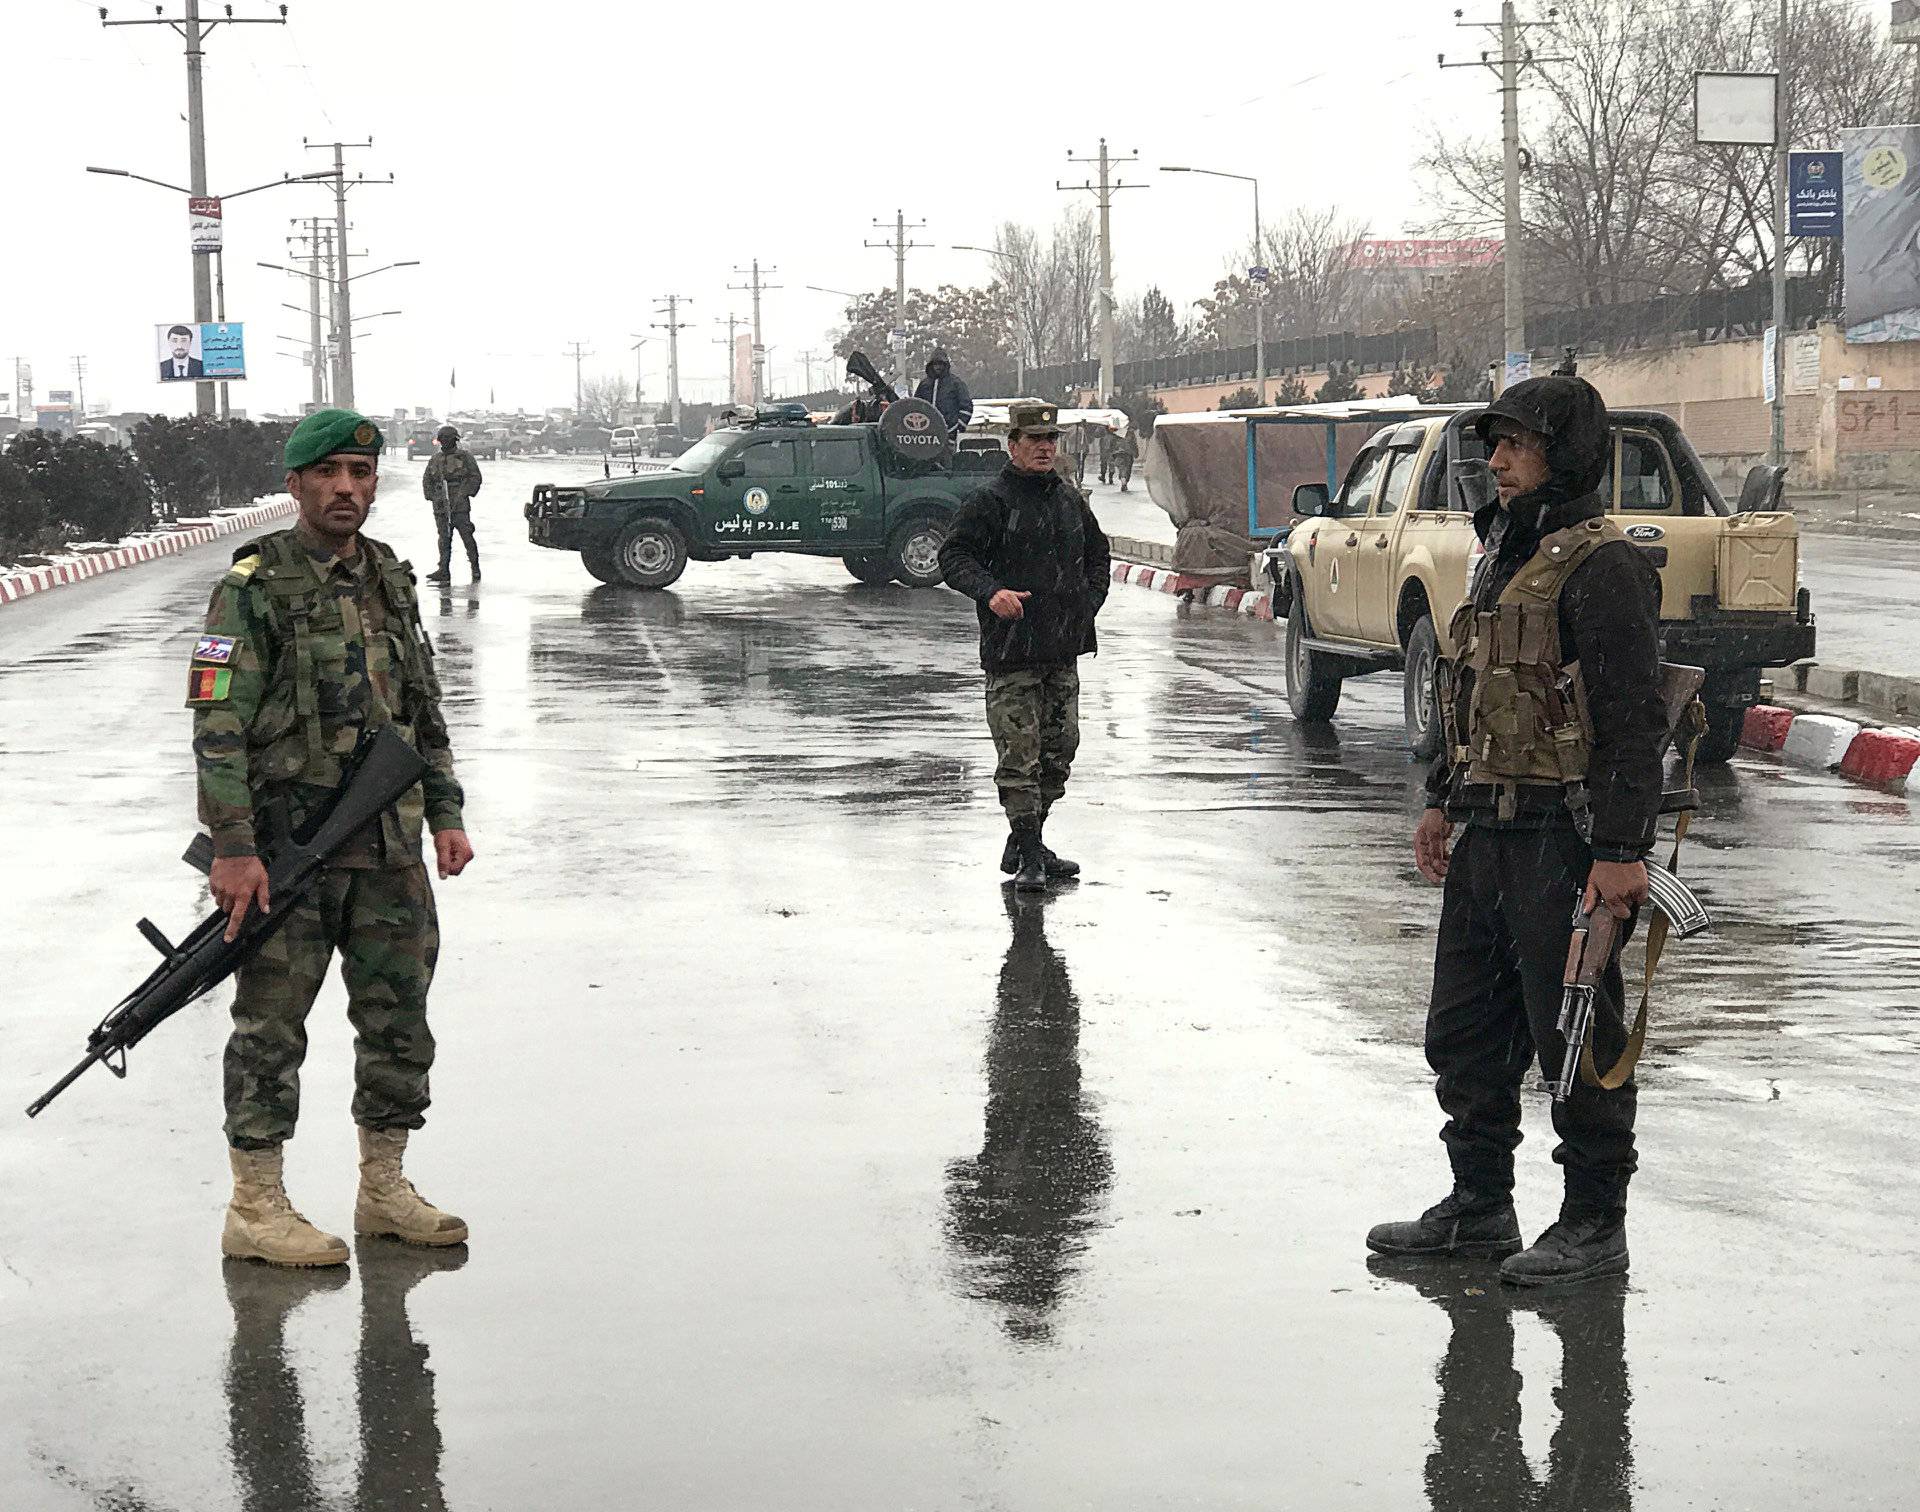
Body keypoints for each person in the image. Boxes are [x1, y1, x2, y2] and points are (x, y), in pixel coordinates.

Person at [1367, 374, 1669, 1288]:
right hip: (1488, 832)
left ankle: (1592, 1224)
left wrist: (1620, 853)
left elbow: (1631, 720)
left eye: (1516, 443)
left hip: (1563, 838)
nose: (1495, 459)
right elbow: (1471, 692)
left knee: (1573, 1037)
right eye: (1493, 442)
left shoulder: (1603, 565)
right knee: (1465, 1032)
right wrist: (1438, 799)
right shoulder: (1502, 549)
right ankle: (1479, 1205)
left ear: (1564, 453)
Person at [192, 406, 475, 1268]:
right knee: (270, 1031)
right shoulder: (248, 588)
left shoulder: (389, 574)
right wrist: (234, 845)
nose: (345, 490)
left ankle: (385, 1187)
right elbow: (216, 720)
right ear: (297, 484)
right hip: (289, 856)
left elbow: (421, 705)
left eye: (360, 475)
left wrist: (448, 810)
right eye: (328, 476)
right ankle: (255, 1204)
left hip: (389, 849)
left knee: (399, 1023)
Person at [938, 402, 1110, 892]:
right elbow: (954, 555)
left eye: (1051, 440)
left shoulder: (1070, 500)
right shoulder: (990, 501)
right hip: (1012, 651)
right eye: (1034, 441)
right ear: (1012, 445)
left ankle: (1027, 840)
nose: (1044, 449)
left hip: (1062, 648)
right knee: (1020, 754)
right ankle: (1030, 852)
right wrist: (991, 592)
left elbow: (1098, 553)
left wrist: (1088, 602)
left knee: (1060, 750)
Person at [420, 425, 482, 583]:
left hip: (459, 505)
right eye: (443, 440)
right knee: (444, 538)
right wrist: (432, 496)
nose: (444, 443)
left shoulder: (464, 457)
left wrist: (465, 493)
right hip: (441, 505)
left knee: (467, 536)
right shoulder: (435, 459)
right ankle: (443, 570)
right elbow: (427, 479)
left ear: (454, 440)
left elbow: (475, 477)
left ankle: (475, 567)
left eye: (447, 440)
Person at [914, 349, 974, 434]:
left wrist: (958, 428)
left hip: (949, 433)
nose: (938, 367)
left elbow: (966, 407)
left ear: (945, 365)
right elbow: (916, 406)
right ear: (931, 365)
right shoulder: (924, 385)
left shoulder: (956, 383)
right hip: (927, 436)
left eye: (941, 364)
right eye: (935, 364)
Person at [1110, 426, 1137, 491]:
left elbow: (1112, 443)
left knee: (1122, 469)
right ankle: (1124, 482)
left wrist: (1112, 452)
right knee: (1127, 469)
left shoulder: (1116, 431)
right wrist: (1136, 452)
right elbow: (1134, 443)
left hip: (1118, 453)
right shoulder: (1130, 432)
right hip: (1128, 453)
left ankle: (1123, 482)